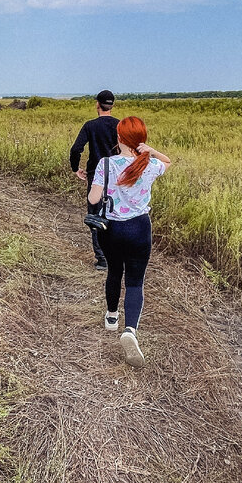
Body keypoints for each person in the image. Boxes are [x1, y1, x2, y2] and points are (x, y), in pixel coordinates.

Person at [88, 116, 171, 367]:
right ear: (141, 140)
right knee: (135, 282)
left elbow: (94, 199)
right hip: (139, 228)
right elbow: (168, 161)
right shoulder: (151, 165)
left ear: (119, 138)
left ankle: (112, 317)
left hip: (112, 229)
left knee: (114, 271)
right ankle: (130, 331)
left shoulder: (106, 164)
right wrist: (150, 150)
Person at [70, 90, 119, 270]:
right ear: (112, 106)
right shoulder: (120, 125)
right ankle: (116, 255)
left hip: (96, 175)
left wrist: (76, 168)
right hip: (117, 174)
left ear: (97, 104)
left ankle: (102, 259)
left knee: (96, 214)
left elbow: (76, 149)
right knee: (116, 213)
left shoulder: (90, 126)